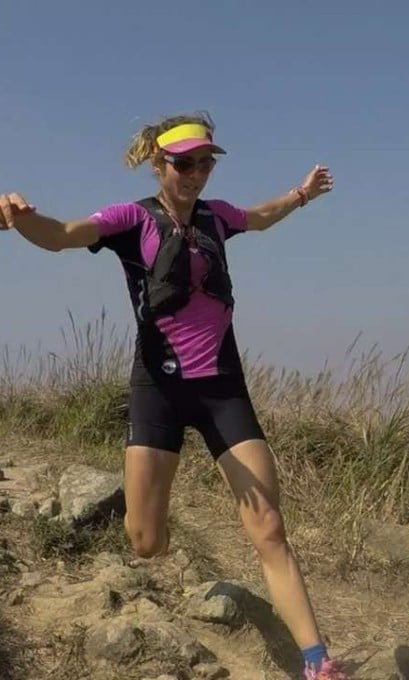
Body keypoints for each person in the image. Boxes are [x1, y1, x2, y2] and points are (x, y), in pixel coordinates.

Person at [0, 112, 349, 680]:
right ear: (158, 164)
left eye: (205, 163)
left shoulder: (217, 217)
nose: (196, 173)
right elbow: (62, 235)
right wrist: (20, 220)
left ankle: (316, 660)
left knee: (267, 526)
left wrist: (301, 194)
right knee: (144, 541)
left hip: (223, 390)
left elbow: (260, 217)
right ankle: (161, 517)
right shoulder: (130, 219)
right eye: (184, 164)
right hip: (157, 390)